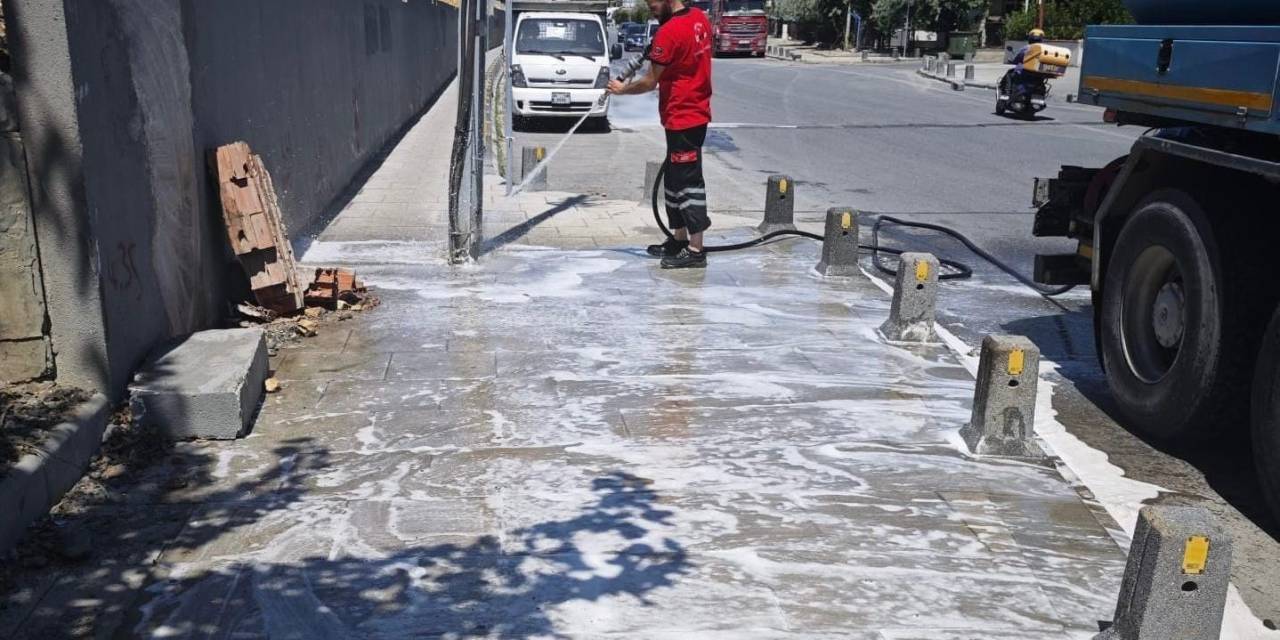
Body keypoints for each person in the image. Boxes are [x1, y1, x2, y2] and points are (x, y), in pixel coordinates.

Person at [607, 0, 713, 269]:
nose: (650, 6)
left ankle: (695, 249)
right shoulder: (699, 17)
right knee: (674, 180)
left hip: (684, 115)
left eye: (652, 1)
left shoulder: (670, 31)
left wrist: (622, 90)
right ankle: (678, 239)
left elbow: (648, 81)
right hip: (688, 114)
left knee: (688, 182)